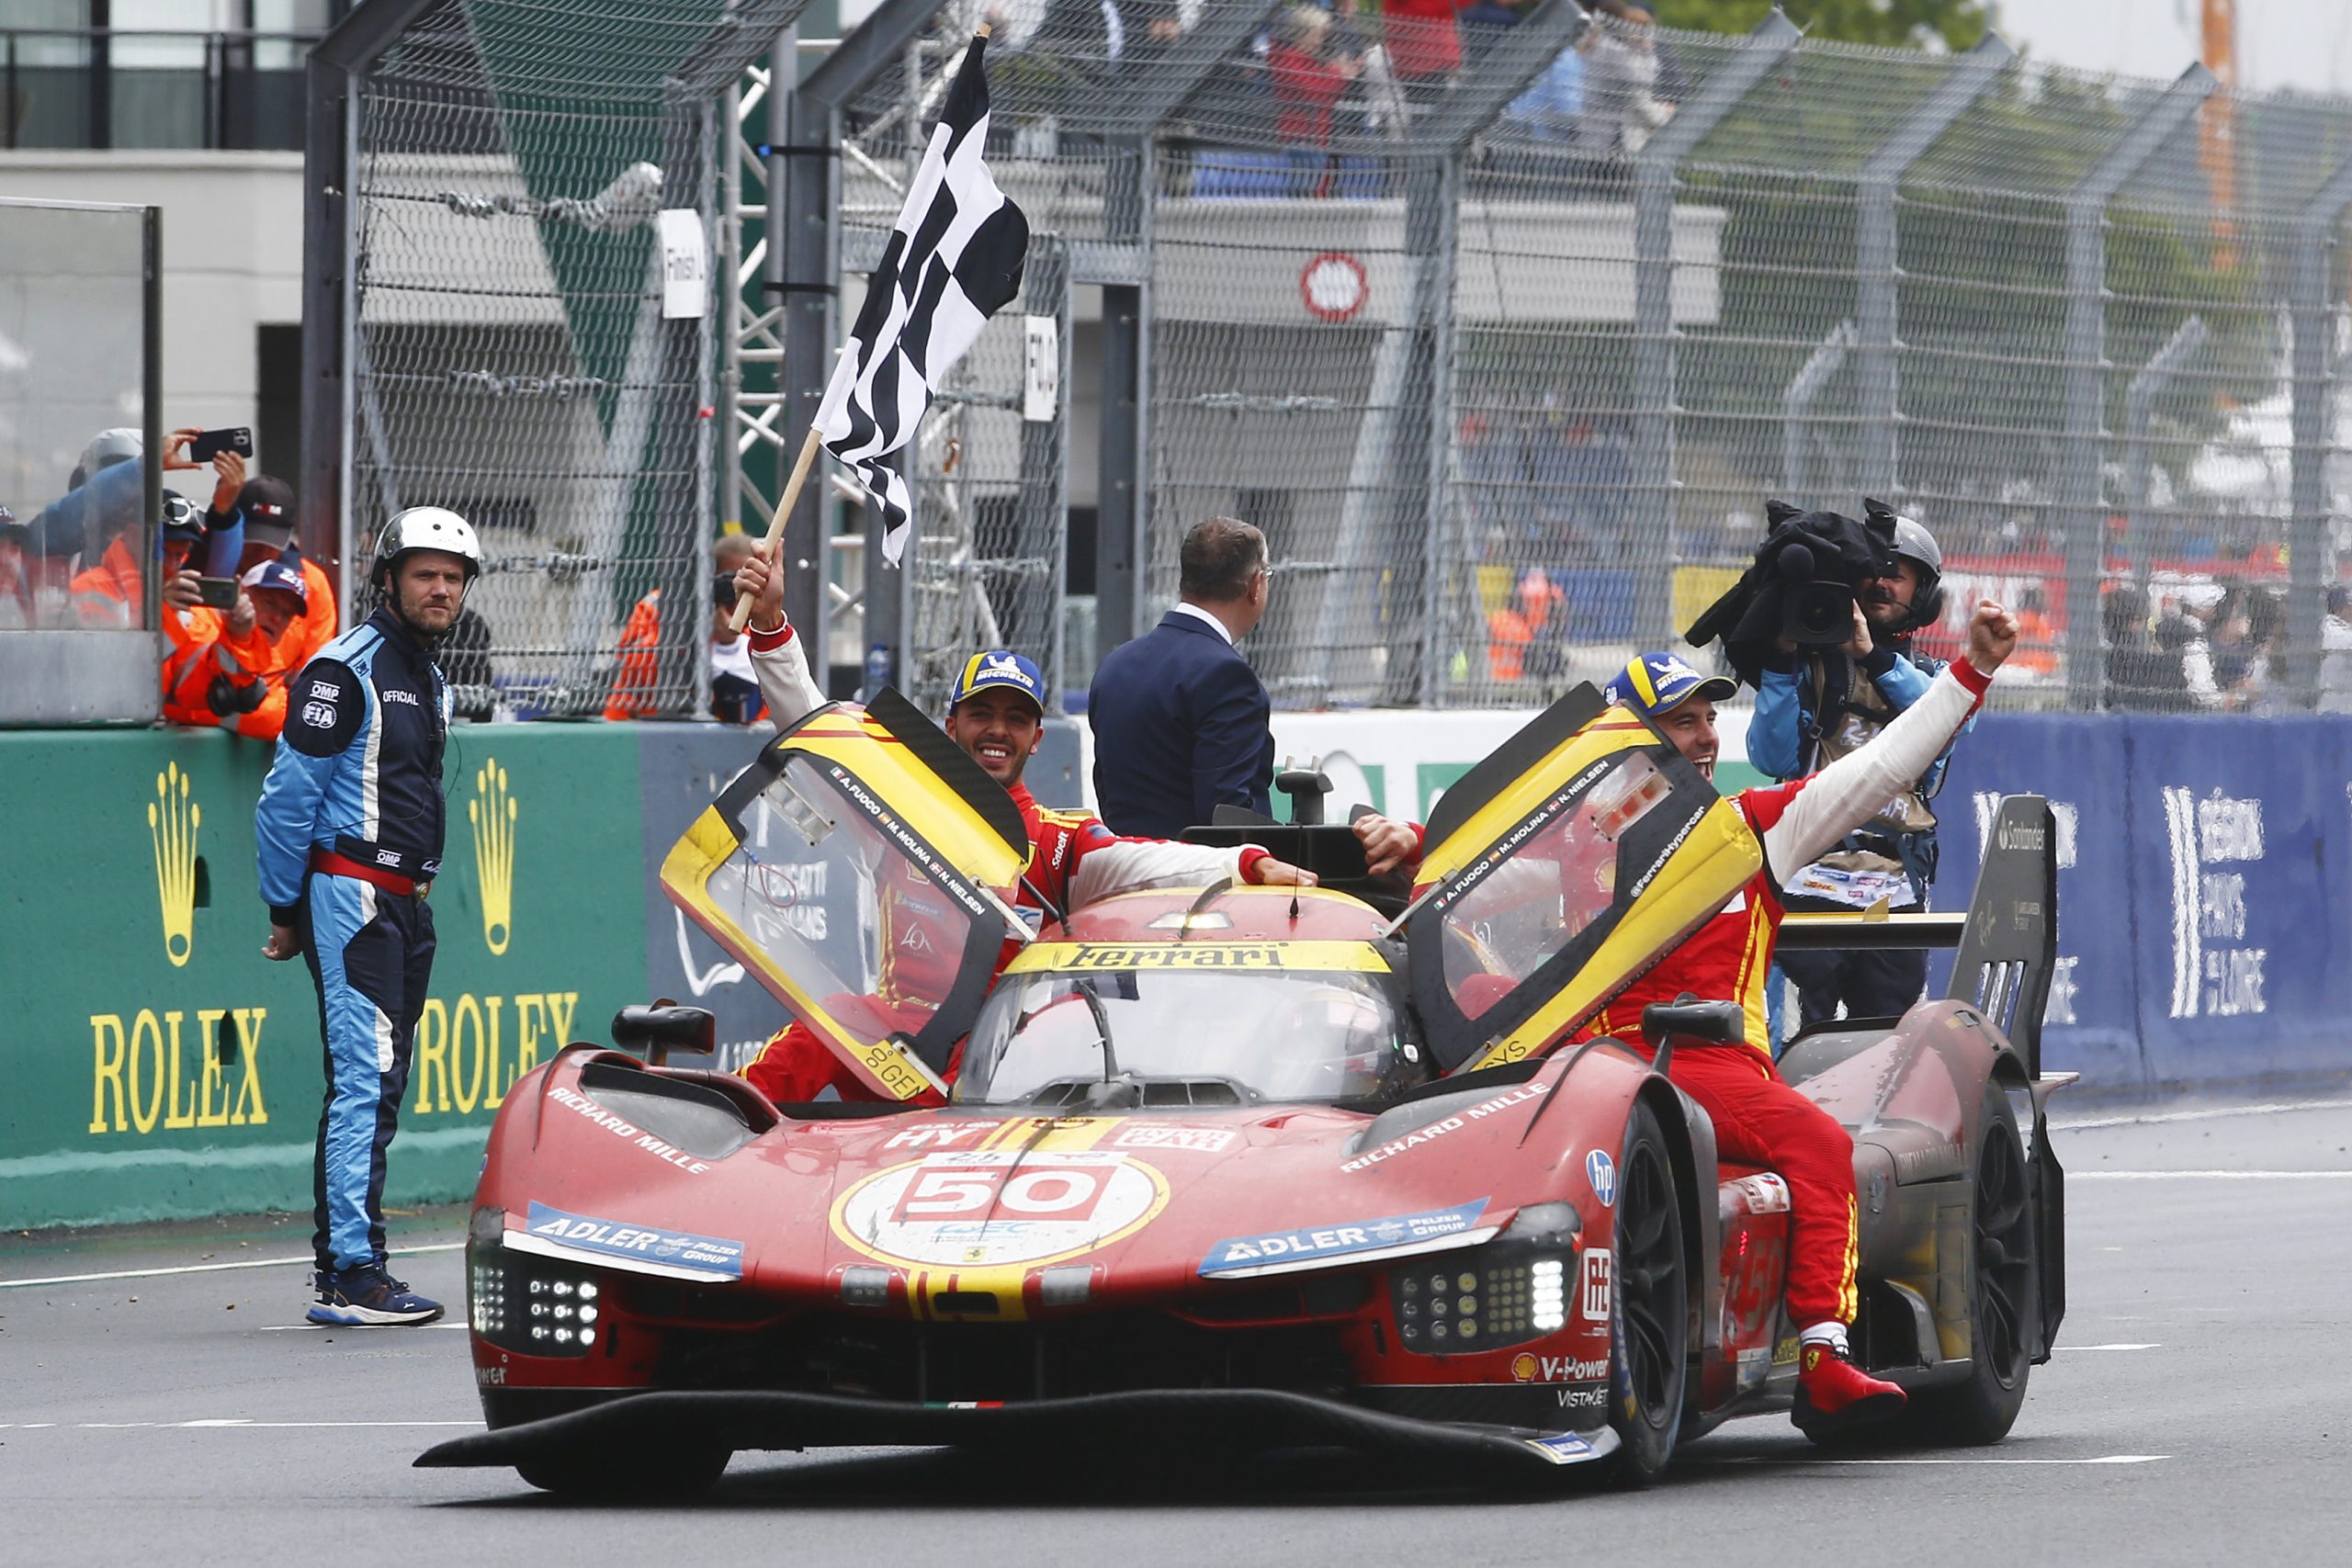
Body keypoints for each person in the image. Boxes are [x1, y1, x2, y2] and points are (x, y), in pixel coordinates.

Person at [1567, 605, 2018, 1436]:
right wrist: (1396, 840)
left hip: (1679, 1071)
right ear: (1623, 736)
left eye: (1710, 719)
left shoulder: (1745, 828)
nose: (1705, 738)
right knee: (1818, 1144)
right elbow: (1461, 872)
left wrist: (1970, 675)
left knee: (1813, 1142)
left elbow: (1880, 769)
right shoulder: (1568, 838)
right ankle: (1823, 1353)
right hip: (1605, 1068)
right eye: (1682, 720)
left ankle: (1822, 1351)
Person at [725, 547, 1374, 1106]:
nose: (997, 731)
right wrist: (772, 622)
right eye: (982, 714)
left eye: (1016, 717)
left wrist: (1247, 864)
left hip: (1004, 1068)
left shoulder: (1061, 842)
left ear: (1038, 737)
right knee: (826, 1026)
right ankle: (724, 1144)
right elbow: (812, 733)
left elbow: (1154, 862)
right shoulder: (902, 805)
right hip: (900, 1048)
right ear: (952, 725)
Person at [254, 505, 481, 1326]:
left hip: (406, 905)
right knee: (362, 1081)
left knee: (380, 1082)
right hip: (350, 897)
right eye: (425, 573)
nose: (441, 588)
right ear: (388, 578)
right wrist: (285, 908)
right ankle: (351, 1272)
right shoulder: (341, 670)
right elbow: (284, 803)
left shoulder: (430, 673)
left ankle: (357, 1264)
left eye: (453, 578)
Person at [1747, 506, 1959, 1034]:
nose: (1884, 584)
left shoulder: (1937, 680)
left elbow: (1944, 722)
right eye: (1876, 573)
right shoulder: (1810, 667)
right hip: (1806, 886)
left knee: (1889, 1048)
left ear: (1924, 593)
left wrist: (1871, 655)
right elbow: (1770, 759)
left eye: (1899, 573)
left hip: (1895, 892)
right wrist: (1779, 664)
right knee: (1796, 1044)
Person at [1088, 516, 1278, 838]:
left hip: (1124, 871)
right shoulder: (1228, 676)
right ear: (1255, 585)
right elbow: (1227, 816)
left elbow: (1107, 790)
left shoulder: (1115, 665)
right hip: (1202, 880)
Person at [603, 533, 758, 720]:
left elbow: (766, 686)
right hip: (643, 720)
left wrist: (731, 644)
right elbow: (634, 669)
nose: (739, 586)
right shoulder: (663, 604)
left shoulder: (759, 615)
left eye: (750, 579)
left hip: (727, 723)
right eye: (731, 578)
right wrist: (694, 633)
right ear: (710, 575)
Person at [164, 556, 312, 738]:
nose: (277, 618)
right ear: (242, 593)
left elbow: (276, 718)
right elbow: (187, 697)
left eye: (287, 613)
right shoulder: (199, 620)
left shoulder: (275, 661)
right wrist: (238, 638)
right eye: (270, 603)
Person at [2320, 583, 2352, 716]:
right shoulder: (2337, 632)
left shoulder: (2322, 627)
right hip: (2341, 707)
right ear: (2340, 609)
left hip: (2327, 704)